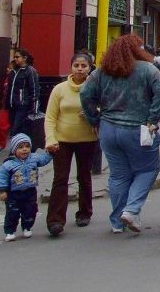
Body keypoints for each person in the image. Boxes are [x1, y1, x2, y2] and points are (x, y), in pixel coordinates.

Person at [80, 34, 160, 234]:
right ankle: (131, 209)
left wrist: (94, 119)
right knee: (147, 170)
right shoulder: (147, 70)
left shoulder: (101, 72)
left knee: (119, 174)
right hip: (138, 128)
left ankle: (117, 221)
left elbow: (85, 94)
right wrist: (153, 118)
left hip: (108, 128)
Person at [44, 52, 100, 236]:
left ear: (90, 68)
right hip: (62, 141)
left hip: (87, 140)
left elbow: (105, 110)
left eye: (84, 66)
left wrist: (93, 113)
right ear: (71, 67)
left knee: (84, 177)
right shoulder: (59, 89)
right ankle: (55, 220)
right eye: (76, 65)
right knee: (60, 179)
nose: (80, 69)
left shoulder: (95, 89)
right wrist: (50, 139)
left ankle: (84, 213)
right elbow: (50, 117)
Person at [0, 132, 53, 242]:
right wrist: (3, 191)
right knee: (12, 213)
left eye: (27, 147)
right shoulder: (9, 164)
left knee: (30, 211)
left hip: (30, 191)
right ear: (14, 150)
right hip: (14, 193)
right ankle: (10, 231)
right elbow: (2, 177)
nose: (24, 150)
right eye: (21, 147)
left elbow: (44, 160)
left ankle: (27, 227)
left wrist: (50, 152)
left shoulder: (34, 158)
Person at [4, 48, 40, 138]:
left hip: (23, 105)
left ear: (24, 58)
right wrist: (7, 103)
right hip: (12, 104)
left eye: (17, 57)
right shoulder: (14, 71)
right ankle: (17, 148)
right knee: (14, 127)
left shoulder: (30, 71)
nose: (15, 59)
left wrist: (34, 108)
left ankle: (16, 149)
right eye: (14, 57)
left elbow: (34, 89)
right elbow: (10, 88)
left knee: (16, 128)